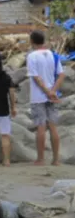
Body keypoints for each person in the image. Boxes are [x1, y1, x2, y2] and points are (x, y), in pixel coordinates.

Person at [27, 30, 65, 166]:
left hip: (38, 96)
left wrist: (47, 91)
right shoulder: (53, 55)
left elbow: (35, 77)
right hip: (52, 96)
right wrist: (53, 91)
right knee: (53, 127)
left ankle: (40, 159)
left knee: (41, 127)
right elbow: (61, 75)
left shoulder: (32, 56)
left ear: (32, 41)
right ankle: (56, 159)